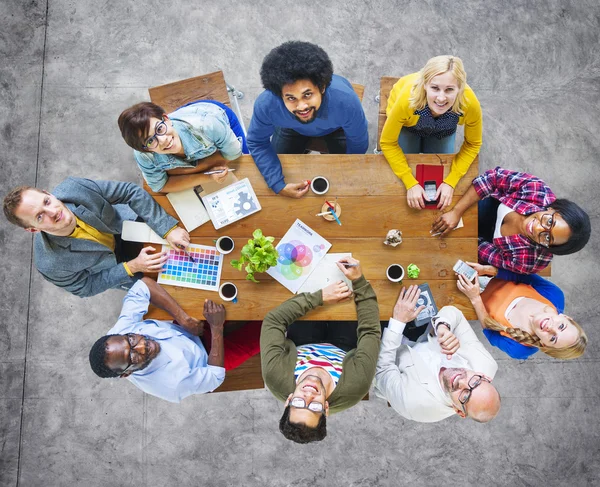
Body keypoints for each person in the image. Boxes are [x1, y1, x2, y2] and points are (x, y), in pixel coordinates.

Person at [2, 177, 188, 297]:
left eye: (47, 202)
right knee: (180, 293)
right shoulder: (49, 264)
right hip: (117, 267)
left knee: (189, 241)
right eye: (40, 217)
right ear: (33, 230)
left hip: (125, 226)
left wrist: (168, 229)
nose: (53, 212)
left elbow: (130, 192)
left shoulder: (75, 188)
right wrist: (132, 267)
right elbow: (86, 287)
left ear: (48, 193)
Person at [260, 257, 380, 443]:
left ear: (288, 400)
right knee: (355, 286)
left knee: (308, 275)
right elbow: (370, 331)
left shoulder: (275, 377)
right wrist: (359, 281)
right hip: (346, 345)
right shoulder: (356, 387)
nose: (308, 395)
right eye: (314, 407)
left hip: (303, 340)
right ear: (326, 408)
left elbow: (273, 321)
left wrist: (319, 297)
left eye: (299, 403)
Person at [88, 277, 261, 403]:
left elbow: (144, 286)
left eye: (132, 339)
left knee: (239, 291)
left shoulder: (119, 334)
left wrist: (184, 319)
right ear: (126, 374)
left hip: (185, 326)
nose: (142, 345)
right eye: (133, 357)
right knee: (268, 330)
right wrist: (216, 328)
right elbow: (214, 377)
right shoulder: (171, 385)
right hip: (210, 359)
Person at [247, 41, 369, 198]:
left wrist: (348, 169)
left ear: (322, 87)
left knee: (345, 181)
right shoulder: (267, 105)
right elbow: (257, 142)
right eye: (291, 98)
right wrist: (278, 184)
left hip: (336, 129)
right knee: (274, 172)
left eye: (307, 94)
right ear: (279, 95)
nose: (301, 106)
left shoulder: (346, 102)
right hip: (291, 128)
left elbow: (358, 142)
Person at [374, 286, 500, 423]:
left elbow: (382, 370)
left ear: (458, 411)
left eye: (464, 396)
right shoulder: (485, 363)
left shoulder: (414, 405)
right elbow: (455, 314)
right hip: (420, 333)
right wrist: (443, 327)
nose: (461, 381)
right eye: (475, 382)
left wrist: (398, 322)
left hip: (381, 352)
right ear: (484, 376)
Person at [431, 166, 591, 275]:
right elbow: (491, 178)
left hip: (478, 243)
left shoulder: (531, 261)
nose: (537, 229)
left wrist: (459, 237)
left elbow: (487, 253)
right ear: (553, 209)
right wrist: (456, 212)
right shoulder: (537, 190)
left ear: (549, 248)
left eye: (548, 237)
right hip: (473, 205)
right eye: (549, 222)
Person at [380, 55, 482, 210]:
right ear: (424, 85)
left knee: (440, 167)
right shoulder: (407, 99)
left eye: (449, 90)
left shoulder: (470, 104)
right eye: (435, 88)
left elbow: (473, 144)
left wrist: (451, 181)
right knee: (401, 166)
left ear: (460, 88)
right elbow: (387, 142)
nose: (441, 98)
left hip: (443, 128)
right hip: (409, 125)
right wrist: (410, 182)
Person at [455, 262, 587, 360]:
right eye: (561, 326)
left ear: (544, 345)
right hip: (490, 272)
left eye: (553, 338)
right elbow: (522, 275)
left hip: (469, 299)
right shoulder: (554, 295)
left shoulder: (519, 349)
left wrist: (475, 298)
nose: (550, 328)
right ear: (566, 317)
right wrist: (485, 269)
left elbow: (491, 334)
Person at [118, 100, 247, 193]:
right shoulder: (143, 154)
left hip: (216, 115)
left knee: (247, 160)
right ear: (143, 148)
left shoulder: (208, 125)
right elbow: (160, 186)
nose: (162, 140)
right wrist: (208, 176)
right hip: (188, 120)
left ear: (166, 119)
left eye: (160, 128)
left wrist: (179, 173)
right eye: (150, 141)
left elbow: (234, 154)